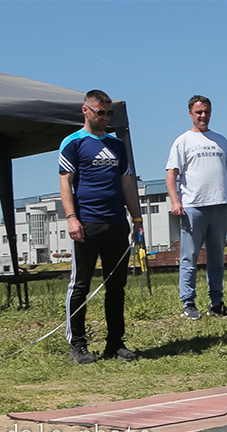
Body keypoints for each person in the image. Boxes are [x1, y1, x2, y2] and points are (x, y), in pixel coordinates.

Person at [59, 89, 143, 364]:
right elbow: (65, 182)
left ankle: (115, 343)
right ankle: (78, 344)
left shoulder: (117, 146)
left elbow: (127, 184)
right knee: (80, 285)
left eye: (109, 113)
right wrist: (72, 218)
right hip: (87, 224)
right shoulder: (73, 143)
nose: (105, 117)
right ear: (86, 111)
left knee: (116, 286)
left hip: (116, 223)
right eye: (100, 112)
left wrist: (137, 219)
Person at [166, 95, 227, 320]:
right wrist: (175, 201)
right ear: (191, 114)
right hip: (193, 207)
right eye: (198, 112)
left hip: (219, 205)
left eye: (206, 112)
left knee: (216, 258)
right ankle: (188, 302)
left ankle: (216, 302)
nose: (203, 116)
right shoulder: (182, 141)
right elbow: (171, 174)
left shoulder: (221, 140)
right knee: (189, 257)